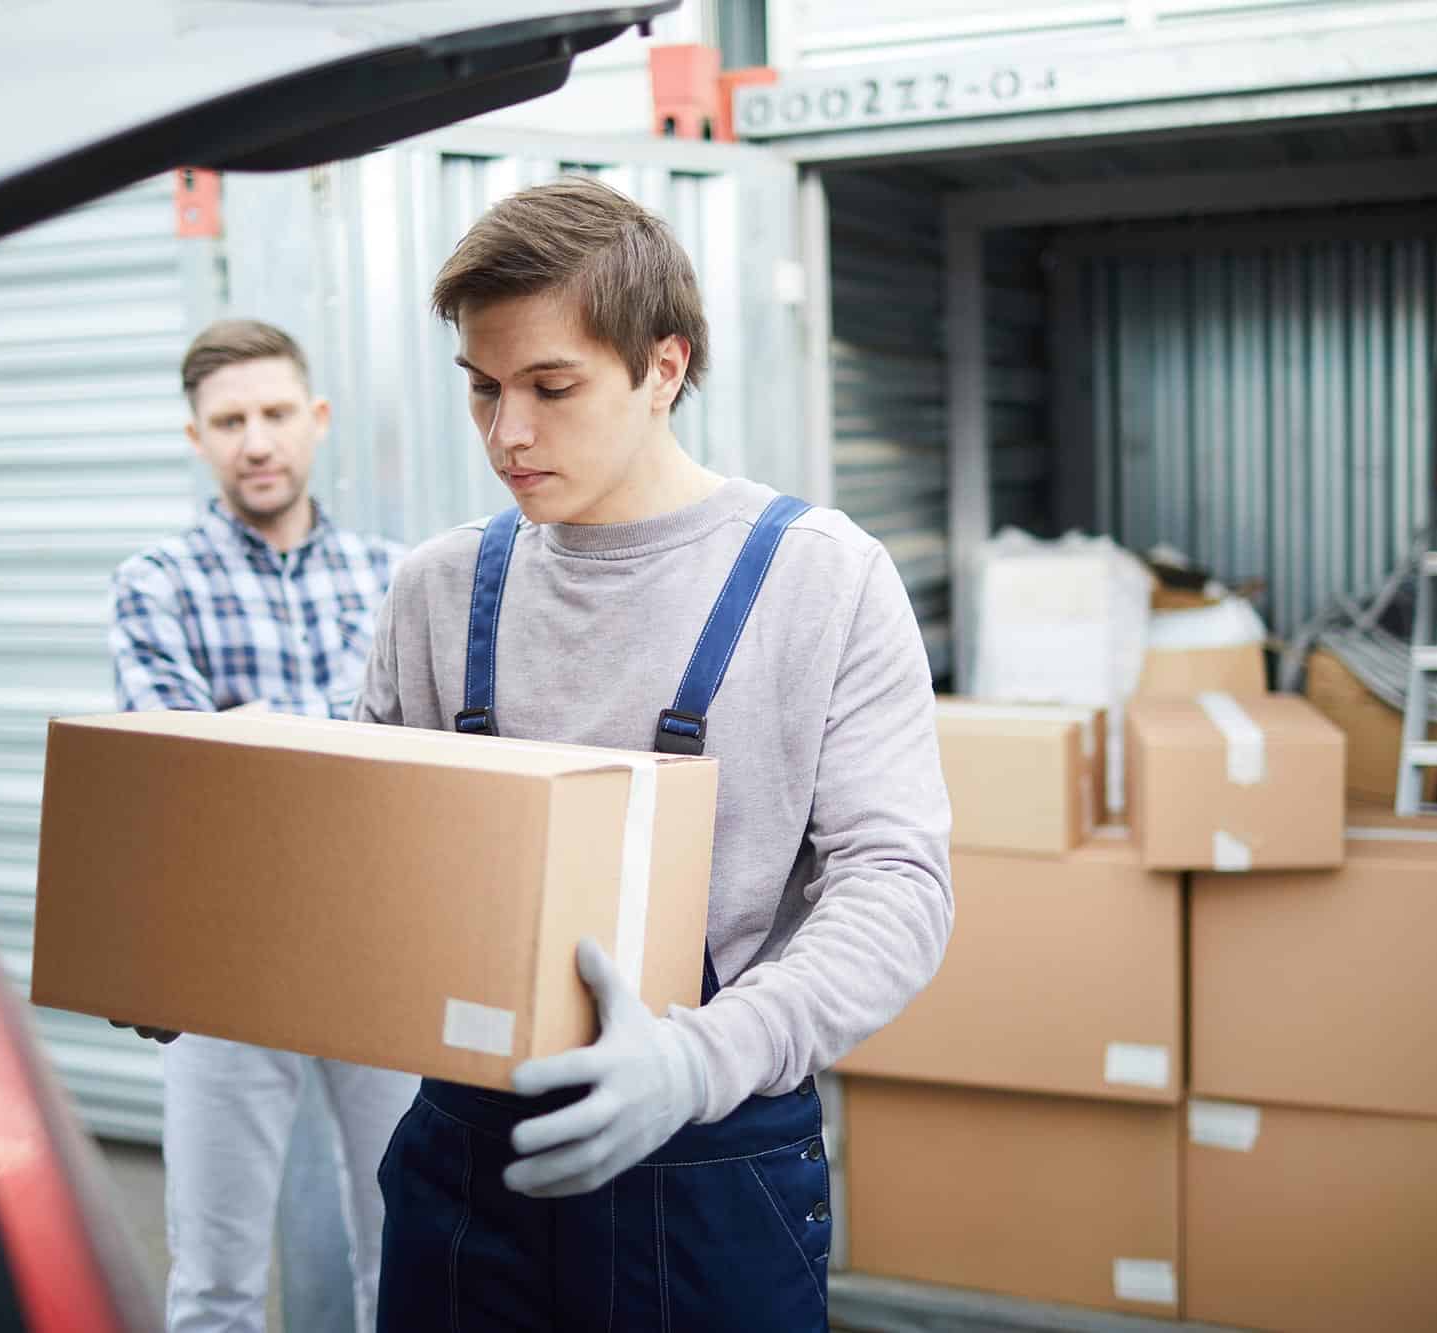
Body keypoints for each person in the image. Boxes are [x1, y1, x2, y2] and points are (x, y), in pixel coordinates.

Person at [353, 177, 954, 1330]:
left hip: (710, 1167)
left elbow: (897, 886)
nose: (505, 433)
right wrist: (225, 955)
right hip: (468, 1171)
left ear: (663, 368)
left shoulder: (819, 578)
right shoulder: (436, 591)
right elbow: (377, 865)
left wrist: (698, 1059)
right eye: (481, 389)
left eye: (551, 386)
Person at [109, 318, 419, 1333]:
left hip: (377, 947)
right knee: (213, 1277)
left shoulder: (395, 577)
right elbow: (182, 768)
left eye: (276, 413)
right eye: (228, 419)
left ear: (316, 420)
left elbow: (407, 744)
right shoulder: (155, 583)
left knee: (406, 1243)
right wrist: (324, 735)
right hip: (220, 958)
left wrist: (249, 735)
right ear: (194, 437)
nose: (256, 439)